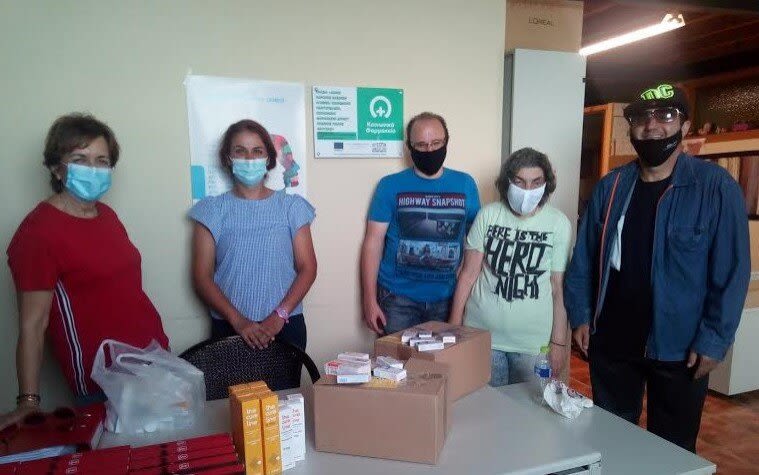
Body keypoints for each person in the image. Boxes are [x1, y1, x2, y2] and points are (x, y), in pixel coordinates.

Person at [564, 83, 750, 452]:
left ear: (685, 125)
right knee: (611, 441)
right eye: (641, 118)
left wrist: (714, 340)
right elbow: (583, 258)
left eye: (665, 115)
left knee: (673, 450)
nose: (652, 126)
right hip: (613, 342)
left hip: (679, 349)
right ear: (631, 128)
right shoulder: (611, 187)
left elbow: (732, 272)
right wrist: (581, 316)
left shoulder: (715, 188)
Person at [2, 113, 169, 429]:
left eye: (101, 161)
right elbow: (32, 325)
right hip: (103, 383)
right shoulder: (38, 232)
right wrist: (28, 402)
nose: (93, 169)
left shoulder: (107, 216)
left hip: (152, 363)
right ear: (57, 168)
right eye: (80, 159)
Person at [189, 119, 316, 351]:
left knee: (286, 379)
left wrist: (279, 316)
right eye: (240, 151)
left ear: (268, 158)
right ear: (228, 158)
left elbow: (308, 268)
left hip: (285, 325)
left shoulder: (292, 207)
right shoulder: (212, 210)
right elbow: (202, 277)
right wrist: (239, 322)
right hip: (229, 327)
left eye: (257, 151)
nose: (249, 159)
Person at [449, 148, 571, 386]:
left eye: (536, 182)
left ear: (546, 184)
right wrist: (454, 326)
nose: (527, 190)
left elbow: (558, 288)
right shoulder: (488, 215)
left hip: (533, 346)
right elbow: (468, 275)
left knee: (530, 408)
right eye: (519, 182)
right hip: (482, 338)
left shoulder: (558, 224)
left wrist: (559, 343)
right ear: (507, 182)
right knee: (485, 406)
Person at [360, 112, 480, 335]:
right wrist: (368, 299)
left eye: (436, 143)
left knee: (444, 359)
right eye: (421, 145)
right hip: (396, 299)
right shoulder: (389, 185)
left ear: (446, 142)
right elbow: (373, 242)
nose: (429, 150)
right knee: (394, 358)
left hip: (447, 298)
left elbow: (476, 243)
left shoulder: (465, 184)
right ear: (410, 147)